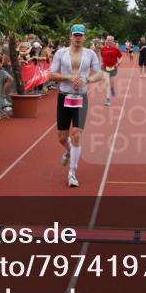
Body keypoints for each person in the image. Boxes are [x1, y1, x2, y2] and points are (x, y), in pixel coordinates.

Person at [47, 25, 104, 188]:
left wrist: (87, 80)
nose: (78, 38)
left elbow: (99, 74)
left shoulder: (90, 54)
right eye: (75, 35)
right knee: (62, 138)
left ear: (84, 37)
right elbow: (51, 74)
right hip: (64, 97)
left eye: (80, 35)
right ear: (70, 37)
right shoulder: (60, 53)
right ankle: (70, 150)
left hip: (81, 98)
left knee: (77, 133)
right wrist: (69, 77)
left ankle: (72, 172)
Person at [99, 35, 123, 106]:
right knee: (107, 82)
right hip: (105, 68)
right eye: (108, 40)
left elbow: (121, 57)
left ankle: (112, 89)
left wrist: (118, 63)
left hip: (113, 68)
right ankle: (108, 99)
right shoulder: (103, 49)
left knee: (111, 83)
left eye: (110, 40)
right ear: (106, 41)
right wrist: (101, 62)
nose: (109, 41)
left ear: (113, 41)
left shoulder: (116, 49)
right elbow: (102, 56)